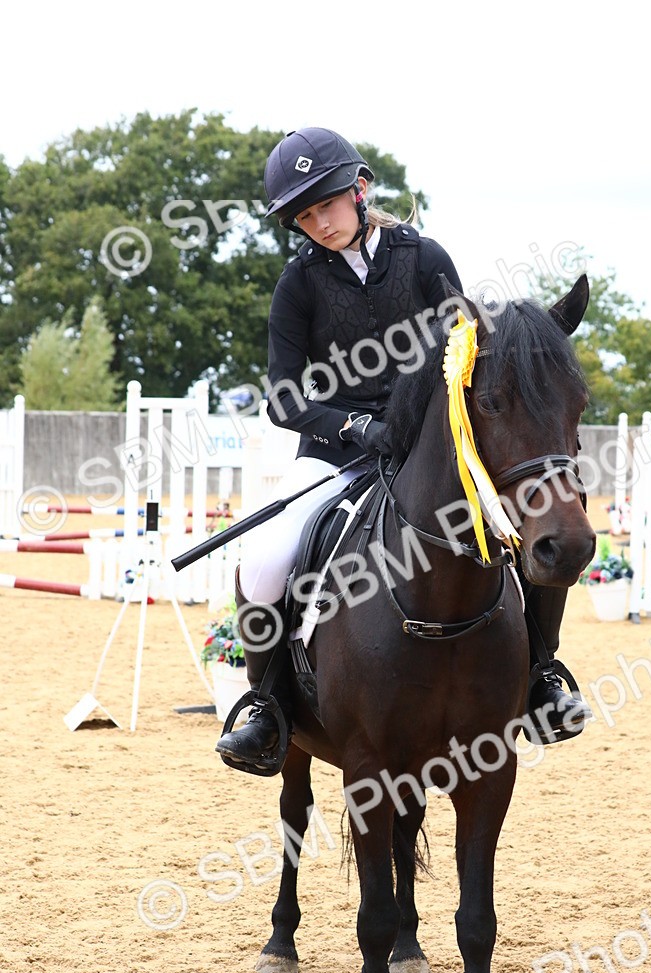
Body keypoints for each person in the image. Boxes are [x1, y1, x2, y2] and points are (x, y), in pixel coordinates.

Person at [216, 127, 589, 775]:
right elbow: (282, 396)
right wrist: (355, 430)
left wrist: (423, 426)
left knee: (523, 521)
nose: (319, 223)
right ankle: (268, 706)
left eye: (326, 204)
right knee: (266, 559)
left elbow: (462, 351)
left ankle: (541, 674)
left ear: (360, 190)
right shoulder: (297, 285)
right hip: (334, 456)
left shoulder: (424, 258)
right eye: (303, 216)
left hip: (428, 452)